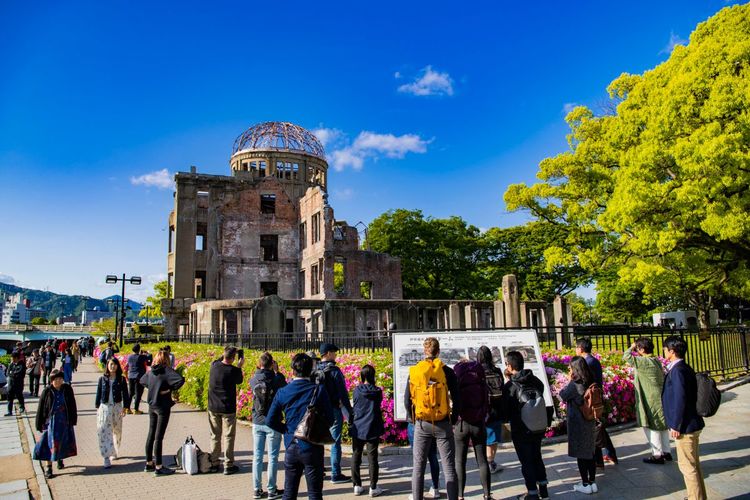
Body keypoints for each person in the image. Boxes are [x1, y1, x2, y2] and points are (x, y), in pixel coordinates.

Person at [267, 353, 334, 500]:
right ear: (310, 370)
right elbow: (331, 418)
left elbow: (270, 420)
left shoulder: (282, 392)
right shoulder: (318, 390)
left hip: (291, 443)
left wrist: (286, 430)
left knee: (289, 493)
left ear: (292, 370)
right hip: (312, 444)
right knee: (315, 494)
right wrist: (316, 427)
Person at [404, 337, 460, 500]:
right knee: (449, 467)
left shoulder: (415, 371)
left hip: (422, 423)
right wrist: (453, 418)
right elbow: (457, 399)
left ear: (424, 351)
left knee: (418, 467)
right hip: (443, 422)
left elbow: (407, 399)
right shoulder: (447, 371)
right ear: (438, 351)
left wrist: (414, 418)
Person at [662, 336, 706, 500]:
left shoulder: (678, 370)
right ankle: (697, 496)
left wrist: (675, 424)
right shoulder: (683, 367)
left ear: (671, 351)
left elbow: (680, 398)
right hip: (690, 423)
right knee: (693, 465)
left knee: (687, 467)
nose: (664, 351)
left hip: (685, 426)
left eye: (665, 348)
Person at [502, 350, 549, 500]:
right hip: (537, 426)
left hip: (520, 428)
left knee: (526, 460)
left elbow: (505, 410)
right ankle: (544, 490)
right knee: (537, 456)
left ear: (509, 366)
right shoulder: (535, 381)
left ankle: (532, 493)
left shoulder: (510, 386)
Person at [624, 337, 672, 464]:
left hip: (649, 397)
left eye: (638, 348)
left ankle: (657, 454)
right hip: (659, 396)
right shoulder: (655, 360)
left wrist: (632, 346)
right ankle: (666, 451)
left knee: (652, 424)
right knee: (661, 425)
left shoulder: (643, 361)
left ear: (642, 349)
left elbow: (626, 356)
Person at [139, 349, 185, 476]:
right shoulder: (166, 370)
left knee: (151, 434)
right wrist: (169, 389)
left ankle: (148, 462)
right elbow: (180, 380)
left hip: (152, 405)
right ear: (166, 360)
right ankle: (158, 466)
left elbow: (142, 381)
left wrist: (153, 389)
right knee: (159, 437)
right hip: (163, 406)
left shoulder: (151, 371)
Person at [452, 358, 492, 500]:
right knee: (482, 461)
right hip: (478, 423)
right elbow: (487, 401)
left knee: (459, 461)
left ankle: (460, 495)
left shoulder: (458, 381)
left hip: (461, 424)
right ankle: (487, 495)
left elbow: (454, 402)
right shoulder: (480, 381)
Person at [576, 338, 618, 466]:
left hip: (592, 400)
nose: (575, 350)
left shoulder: (587, 363)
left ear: (581, 349)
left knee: (596, 429)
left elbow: (585, 382)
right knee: (599, 429)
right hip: (596, 398)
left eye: (576, 347)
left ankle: (603, 458)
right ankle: (607, 456)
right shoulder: (593, 360)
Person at [250, 352, 287, 498]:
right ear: (272, 364)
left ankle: (256, 489)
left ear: (260, 364)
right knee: (273, 457)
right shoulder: (276, 379)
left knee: (257, 456)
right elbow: (284, 385)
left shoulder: (254, 379)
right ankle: (271, 489)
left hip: (257, 420)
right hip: (273, 421)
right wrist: (277, 371)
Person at [317, 342, 354, 484]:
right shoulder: (334, 371)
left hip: (318, 410)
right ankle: (335, 473)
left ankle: (319, 471)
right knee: (335, 441)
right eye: (333, 352)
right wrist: (349, 412)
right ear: (327, 354)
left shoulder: (315, 370)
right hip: (333, 409)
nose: (335, 354)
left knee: (318, 441)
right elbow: (343, 394)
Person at [560, 356, 598, 495]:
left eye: (570, 367)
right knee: (590, 452)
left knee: (581, 454)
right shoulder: (590, 379)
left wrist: (570, 379)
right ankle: (593, 482)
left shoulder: (575, 384)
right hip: (590, 420)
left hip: (578, 421)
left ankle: (585, 483)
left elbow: (562, 395)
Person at [350, 364, 387, 497]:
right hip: (373, 427)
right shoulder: (377, 391)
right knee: (373, 458)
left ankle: (357, 485)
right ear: (372, 375)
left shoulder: (356, 390)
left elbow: (354, 405)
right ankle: (373, 486)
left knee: (356, 455)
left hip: (358, 427)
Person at [208, 346, 245, 476]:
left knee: (215, 435)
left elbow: (220, 360)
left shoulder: (214, 365)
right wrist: (239, 365)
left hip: (213, 406)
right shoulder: (233, 370)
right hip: (228, 408)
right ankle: (228, 464)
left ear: (223, 355)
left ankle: (214, 462)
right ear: (233, 358)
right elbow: (239, 381)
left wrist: (229, 353)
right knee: (228, 436)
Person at [33, 369, 77, 479]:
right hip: (50, 423)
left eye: (60, 379)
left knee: (62, 442)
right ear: (51, 380)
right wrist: (39, 423)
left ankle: (59, 459)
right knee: (49, 445)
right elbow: (41, 408)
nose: (58, 381)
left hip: (64, 421)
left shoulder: (67, 389)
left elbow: (72, 404)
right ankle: (49, 468)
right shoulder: (47, 391)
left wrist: (73, 419)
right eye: (56, 379)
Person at [96, 358, 130, 468]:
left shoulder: (121, 379)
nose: (113, 366)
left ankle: (115, 449)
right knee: (105, 431)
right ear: (107, 365)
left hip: (117, 407)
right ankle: (106, 456)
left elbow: (125, 393)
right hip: (105, 407)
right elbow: (98, 393)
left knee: (117, 430)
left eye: (115, 364)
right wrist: (97, 407)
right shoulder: (102, 379)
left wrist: (126, 407)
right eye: (111, 364)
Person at [477, 346, 505, 475]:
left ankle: (487, 463)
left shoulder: (476, 371)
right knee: (493, 439)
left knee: (484, 438)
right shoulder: (497, 370)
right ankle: (491, 462)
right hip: (497, 409)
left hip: (482, 410)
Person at [126, 344, 152, 415]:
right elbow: (149, 359)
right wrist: (147, 353)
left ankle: (127, 408)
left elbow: (127, 365)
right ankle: (135, 409)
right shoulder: (141, 357)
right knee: (138, 393)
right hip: (139, 377)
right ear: (139, 349)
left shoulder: (129, 357)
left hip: (131, 376)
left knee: (130, 393)